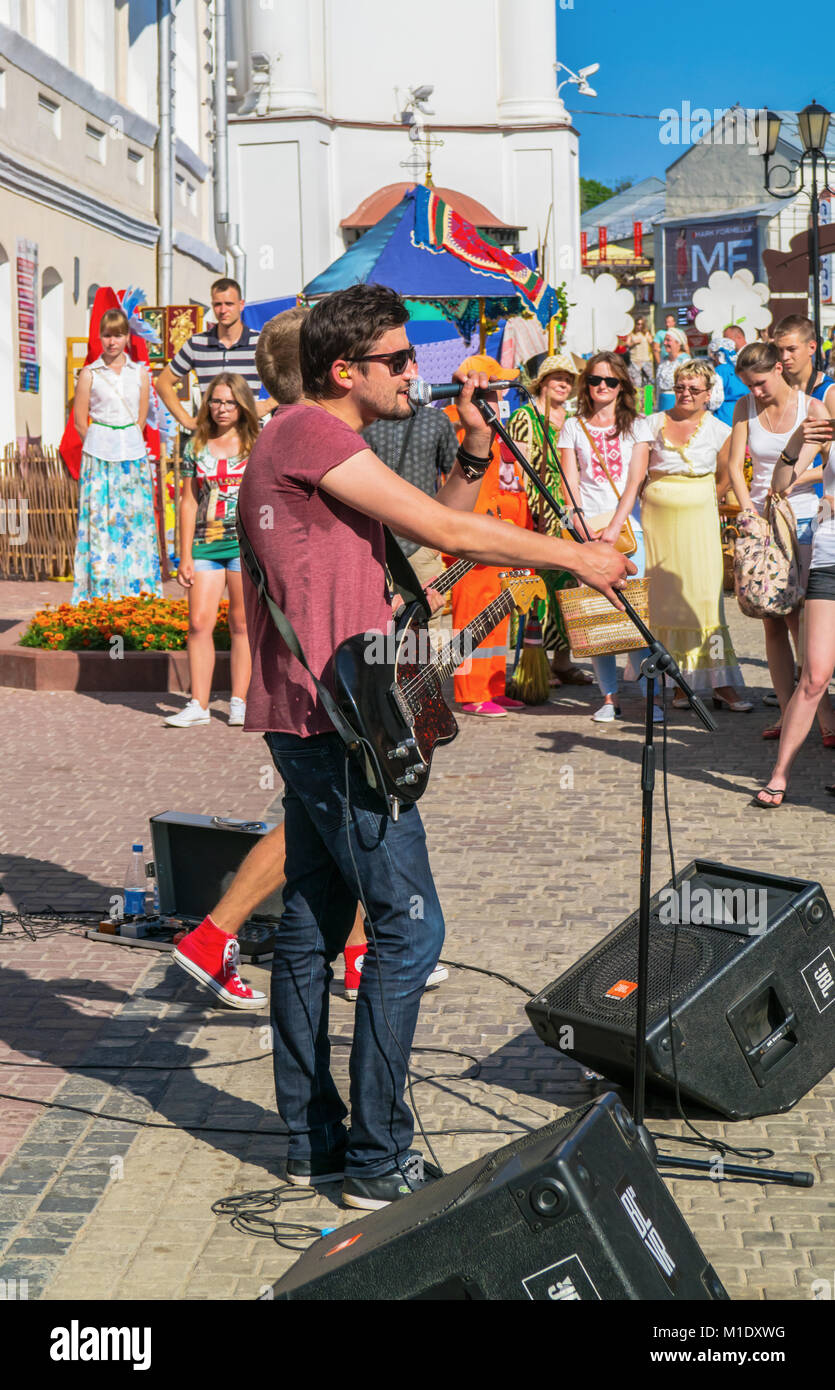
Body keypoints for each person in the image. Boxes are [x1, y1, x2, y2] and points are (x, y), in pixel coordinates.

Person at [173, 284, 633, 1208]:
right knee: (412, 933)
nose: (411, 374)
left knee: (307, 930)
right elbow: (447, 529)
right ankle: (377, 1159)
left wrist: (469, 445)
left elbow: (421, 544)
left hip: (322, 712)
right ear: (344, 371)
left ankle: (314, 1143)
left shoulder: (317, 443)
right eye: (394, 361)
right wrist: (576, 556)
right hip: (334, 719)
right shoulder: (306, 431)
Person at [606, 360, 750, 710]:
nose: (685, 394)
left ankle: (720, 683)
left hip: (699, 521)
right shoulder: (651, 423)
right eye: (681, 386)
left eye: (694, 389)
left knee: (704, 600)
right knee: (664, 602)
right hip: (659, 523)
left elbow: (726, 474)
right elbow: (635, 478)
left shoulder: (719, 429)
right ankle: (678, 683)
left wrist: (706, 497)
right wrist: (615, 524)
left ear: (708, 394)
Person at [726, 341, 835, 746]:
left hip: (804, 519)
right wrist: (749, 509)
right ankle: (789, 712)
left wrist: (792, 481)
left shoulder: (813, 408)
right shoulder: (744, 408)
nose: (755, 392)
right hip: (762, 522)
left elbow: (828, 461)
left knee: (800, 619)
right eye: (747, 385)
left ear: (777, 369)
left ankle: (822, 718)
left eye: (759, 383)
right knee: (771, 616)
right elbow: (736, 466)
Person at [560, 352, 659, 723]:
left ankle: (651, 698)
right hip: (586, 530)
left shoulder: (639, 426)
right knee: (595, 614)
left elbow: (635, 480)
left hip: (629, 530)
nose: (602, 386)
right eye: (595, 380)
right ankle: (608, 697)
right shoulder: (572, 426)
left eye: (610, 381)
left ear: (622, 386)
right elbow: (570, 484)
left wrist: (615, 526)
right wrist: (583, 530)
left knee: (635, 612)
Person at [165, 373, 260, 728]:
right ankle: (198, 704)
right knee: (198, 623)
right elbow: (187, 501)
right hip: (205, 544)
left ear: (242, 405)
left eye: (229, 402)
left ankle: (239, 701)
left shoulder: (256, 443)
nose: (222, 409)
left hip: (243, 545)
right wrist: (184, 554)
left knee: (241, 624)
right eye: (216, 401)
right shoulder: (196, 444)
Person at [444, 354, 534, 717]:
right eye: (497, 389)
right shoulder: (458, 425)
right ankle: (470, 693)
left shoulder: (498, 426)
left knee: (499, 619)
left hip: (503, 540)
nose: (503, 396)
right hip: (476, 541)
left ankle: (494, 687)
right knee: (470, 620)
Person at [753, 412, 835, 806]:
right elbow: (780, 485)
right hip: (830, 559)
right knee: (816, 675)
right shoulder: (828, 430)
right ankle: (779, 774)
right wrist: (794, 444)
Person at [506, 353, 593, 687]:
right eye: (557, 377)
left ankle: (563, 660)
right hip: (537, 513)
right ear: (541, 381)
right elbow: (515, 469)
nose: (563, 383)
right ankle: (535, 657)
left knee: (567, 585)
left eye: (569, 379)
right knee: (537, 587)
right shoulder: (525, 417)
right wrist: (529, 512)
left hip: (568, 513)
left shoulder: (571, 419)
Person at [71, 307, 162, 603]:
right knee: (101, 518)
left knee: (134, 519)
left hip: (132, 454)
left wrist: (126, 438)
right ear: (100, 337)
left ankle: (138, 589)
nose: (112, 342)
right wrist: (102, 440)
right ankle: (100, 587)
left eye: (118, 335)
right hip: (99, 454)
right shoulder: (90, 373)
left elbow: (141, 417)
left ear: (127, 337)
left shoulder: (139, 374)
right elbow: (80, 421)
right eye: (107, 335)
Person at [156, 278, 276, 431]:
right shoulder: (197, 344)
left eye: (229, 304)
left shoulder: (261, 343)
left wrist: (268, 405)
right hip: (210, 435)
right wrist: (186, 421)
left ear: (241, 305)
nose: (223, 310)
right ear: (212, 306)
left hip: (249, 433)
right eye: (218, 304)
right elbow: (162, 383)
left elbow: (295, 378)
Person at [360, 402, 458, 588]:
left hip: (420, 542)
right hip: (379, 545)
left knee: (427, 611)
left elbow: (454, 475)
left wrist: (439, 539)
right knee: (385, 615)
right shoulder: (366, 421)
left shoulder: (436, 420)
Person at [708, 335, 749, 427]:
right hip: (745, 414)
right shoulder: (741, 369)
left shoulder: (719, 371)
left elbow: (714, 401)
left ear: (717, 356)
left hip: (725, 416)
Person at [654, 329, 690, 410]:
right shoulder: (664, 361)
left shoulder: (685, 361)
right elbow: (658, 386)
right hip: (662, 403)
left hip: (678, 403)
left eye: (668, 340)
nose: (664, 343)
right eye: (664, 340)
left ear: (678, 343)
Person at [628, 317, 655, 393]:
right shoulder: (631, 334)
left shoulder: (646, 333)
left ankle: (648, 404)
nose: (639, 326)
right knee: (636, 384)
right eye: (638, 324)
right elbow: (627, 345)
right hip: (634, 362)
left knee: (648, 384)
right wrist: (633, 343)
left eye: (641, 324)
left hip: (646, 361)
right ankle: (637, 404)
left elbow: (652, 343)